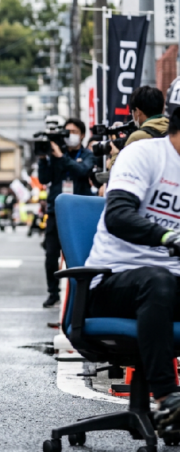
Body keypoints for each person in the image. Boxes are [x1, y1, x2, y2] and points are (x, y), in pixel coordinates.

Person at [83, 108, 180, 431]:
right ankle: (167, 399)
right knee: (157, 280)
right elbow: (118, 215)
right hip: (114, 282)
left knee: (164, 282)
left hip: (168, 284)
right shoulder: (144, 154)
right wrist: (166, 236)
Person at [38, 118, 95, 307]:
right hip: (56, 210)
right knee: (51, 254)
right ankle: (53, 292)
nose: (69, 135)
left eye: (73, 131)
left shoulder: (87, 154)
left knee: (78, 254)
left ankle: (80, 293)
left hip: (79, 211)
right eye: (66, 131)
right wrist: (43, 159)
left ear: (82, 134)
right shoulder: (55, 155)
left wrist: (62, 156)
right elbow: (44, 178)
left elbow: (82, 171)